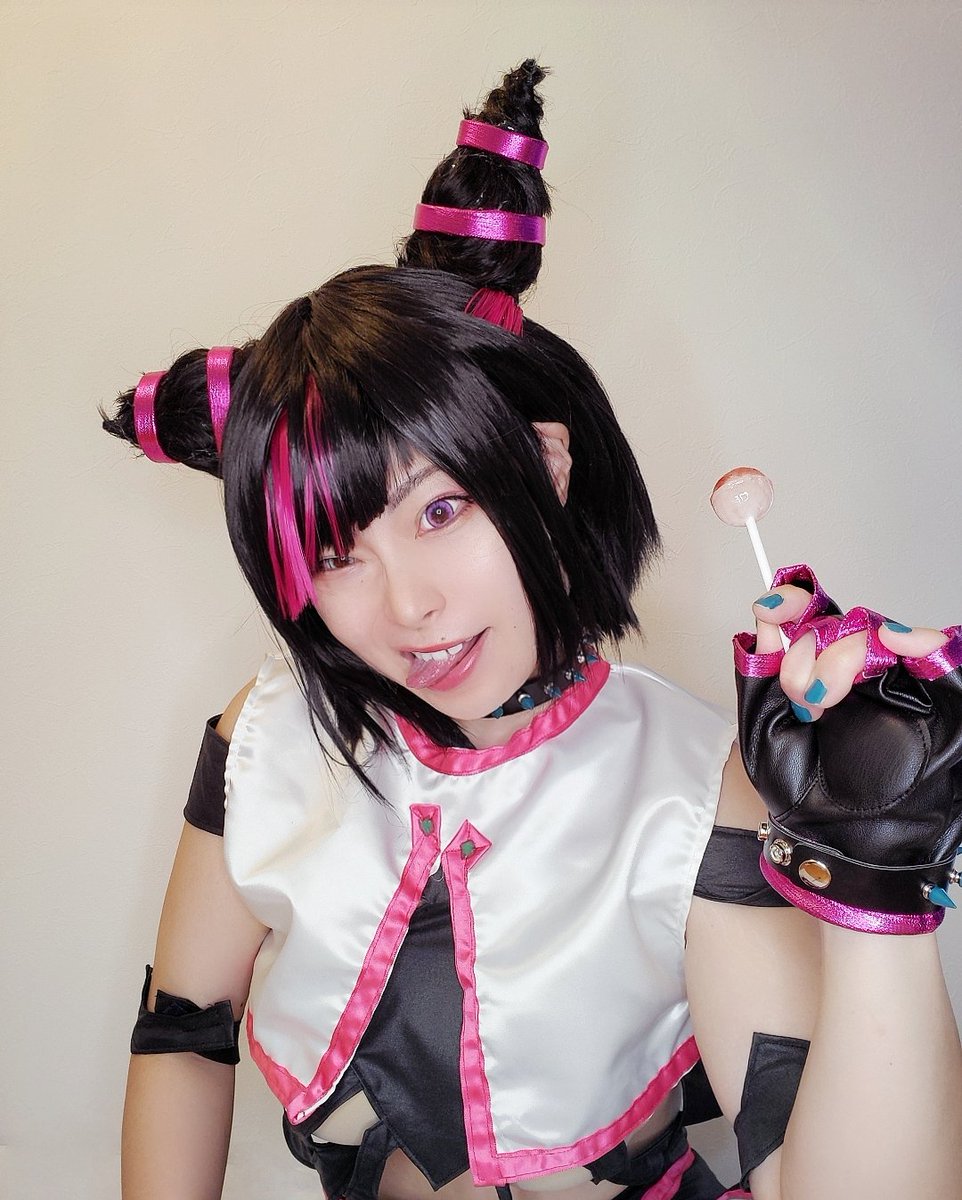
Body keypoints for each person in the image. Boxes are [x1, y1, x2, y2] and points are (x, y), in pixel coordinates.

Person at [103, 61, 962, 1200]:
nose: (409, 606)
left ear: (546, 467)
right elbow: (182, 1033)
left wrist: (877, 893)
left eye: (440, 511)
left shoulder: (691, 784)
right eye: (335, 553)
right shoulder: (267, 739)